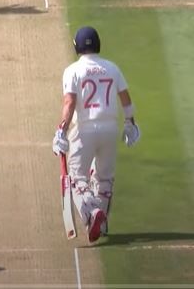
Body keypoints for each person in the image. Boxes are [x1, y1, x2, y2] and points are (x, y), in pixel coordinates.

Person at [52, 26, 141, 243]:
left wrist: (61, 130)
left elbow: (69, 102)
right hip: (110, 130)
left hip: (84, 131)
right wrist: (130, 123)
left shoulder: (73, 70)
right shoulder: (112, 68)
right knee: (104, 179)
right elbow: (126, 98)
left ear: (77, 47)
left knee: (77, 179)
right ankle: (100, 223)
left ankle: (92, 213)